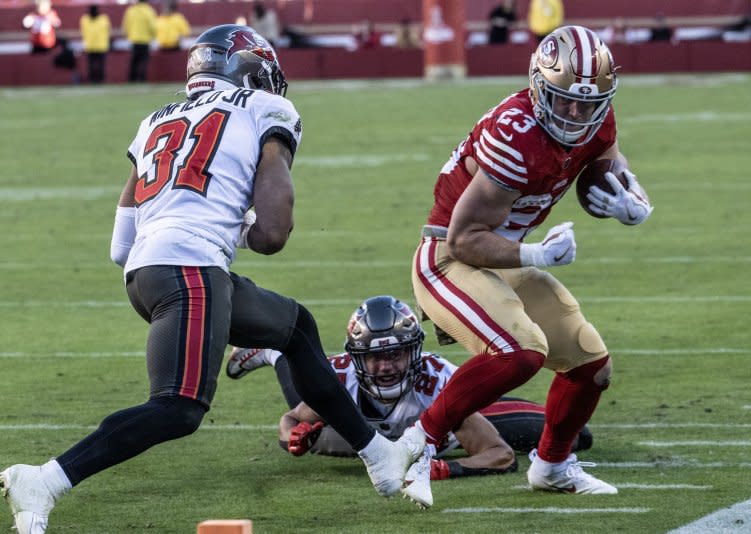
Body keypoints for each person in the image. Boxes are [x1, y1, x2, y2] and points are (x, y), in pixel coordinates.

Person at [0, 24, 426, 534]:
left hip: (148, 272)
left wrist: (210, 226)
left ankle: (380, 455)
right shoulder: (265, 110)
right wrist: (232, 229)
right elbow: (272, 234)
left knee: (294, 328)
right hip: (191, 270)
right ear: (247, 73)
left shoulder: (153, 120)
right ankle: (44, 479)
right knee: (178, 408)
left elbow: (120, 246)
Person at [402, 25, 654, 506]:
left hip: (499, 254)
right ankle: (415, 446)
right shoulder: (517, 134)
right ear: (540, 87)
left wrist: (631, 200)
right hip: (448, 258)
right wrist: (537, 255)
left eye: (588, 103)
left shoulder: (596, 118)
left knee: (589, 363)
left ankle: (553, 467)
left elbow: (602, 171)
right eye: (564, 101)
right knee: (521, 351)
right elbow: (464, 238)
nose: (577, 114)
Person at [226, 296, 594, 479]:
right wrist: (295, 436)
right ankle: (274, 353)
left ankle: (275, 355)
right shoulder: (343, 374)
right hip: (361, 426)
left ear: (414, 352)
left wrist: (446, 470)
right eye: (374, 357)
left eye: (397, 355)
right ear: (356, 358)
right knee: (313, 410)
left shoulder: (436, 379)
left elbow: (500, 455)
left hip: (443, 434)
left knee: (579, 434)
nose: (385, 366)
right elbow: (290, 420)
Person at [122, 0, 157, 82]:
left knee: (134, 61)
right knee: (143, 61)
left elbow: (126, 25)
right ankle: (141, 78)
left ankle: (132, 79)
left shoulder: (131, 10)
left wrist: (127, 35)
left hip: (134, 39)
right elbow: (152, 26)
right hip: (145, 40)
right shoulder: (149, 10)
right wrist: (153, 36)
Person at [80, 4, 111, 83]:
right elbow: (108, 30)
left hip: (94, 45)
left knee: (94, 65)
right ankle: (97, 79)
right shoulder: (103, 19)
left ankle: (95, 79)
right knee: (96, 65)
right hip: (98, 45)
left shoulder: (85, 19)